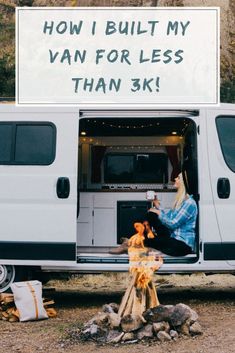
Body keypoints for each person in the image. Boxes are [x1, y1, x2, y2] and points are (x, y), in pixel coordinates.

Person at [110, 172, 198, 256]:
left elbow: (172, 224)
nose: (175, 179)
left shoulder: (189, 203)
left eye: (178, 178)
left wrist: (159, 212)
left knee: (155, 240)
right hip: (172, 237)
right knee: (151, 215)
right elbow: (168, 217)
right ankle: (135, 242)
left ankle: (130, 244)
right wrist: (156, 203)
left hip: (182, 245)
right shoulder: (181, 201)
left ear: (184, 183)